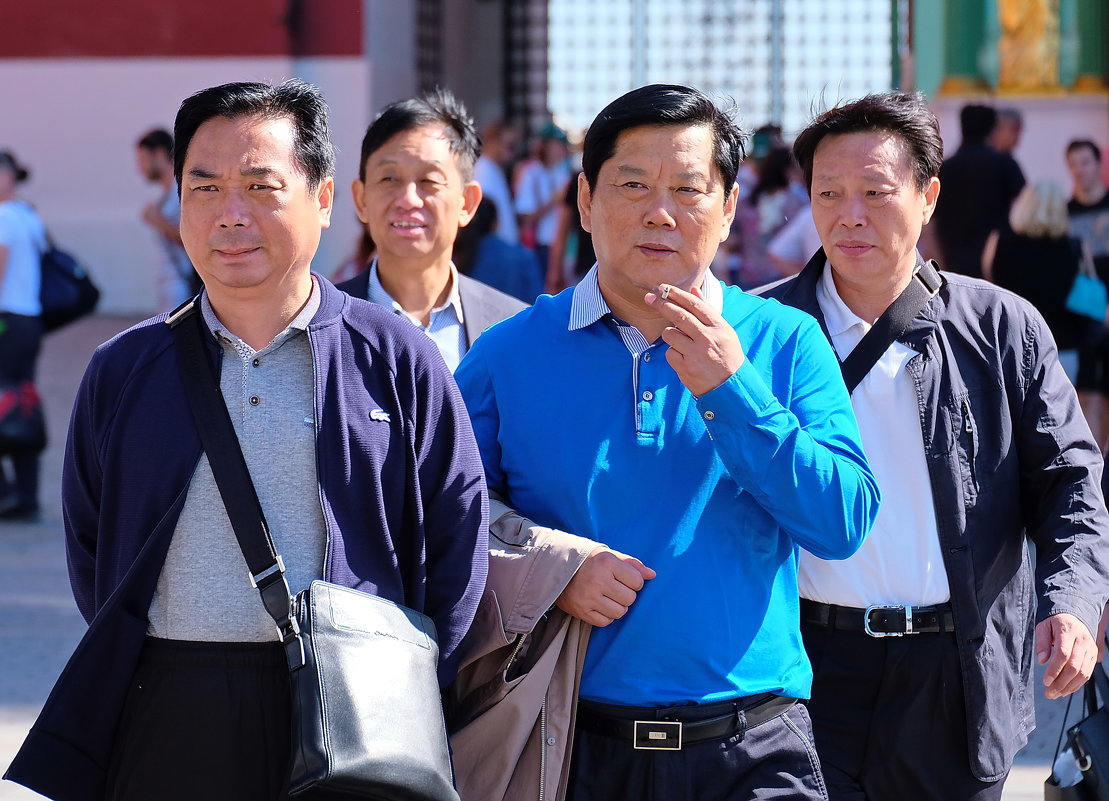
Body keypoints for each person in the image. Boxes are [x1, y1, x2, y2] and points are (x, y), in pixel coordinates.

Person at [5, 79, 488, 801]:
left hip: (354, 709)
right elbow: (90, 545)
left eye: (261, 186)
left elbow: (457, 542)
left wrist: (407, 680)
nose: (230, 214)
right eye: (204, 188)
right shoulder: (126, 367)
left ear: (323, 199)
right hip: (168, 706)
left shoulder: (394, 356)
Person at [448, 84, 880, 801]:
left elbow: (841, 524)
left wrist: (731, 388)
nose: (659, 211)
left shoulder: (783, 340)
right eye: (632, 185)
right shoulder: (508, 353)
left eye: (687, 188)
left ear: (728, 208)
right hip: (574, 748)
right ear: (584, 201)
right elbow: (443, 517)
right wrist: (554, 566)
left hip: (755, 748)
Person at [761, 90, 1109, 800]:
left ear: (927, 197)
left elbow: (1071, 481)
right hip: (803, 667)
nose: (847, 213)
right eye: (827, 192)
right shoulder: (760, 332)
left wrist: (1070, 601)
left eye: (874, 191)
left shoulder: (1000, 327)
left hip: (957, 670)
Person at [337, 90, 527, 371]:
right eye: (389, 178)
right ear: (361, 199)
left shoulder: (515, 329)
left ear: (467, 202)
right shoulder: (320, 325)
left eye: (429, 180)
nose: (409, 199)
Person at [983, 180, 1084, 382]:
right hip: (1061, 345)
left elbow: (989, 282)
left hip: (1012, 343)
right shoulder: (1072, 247)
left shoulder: (1001, 241)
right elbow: (1084, 297)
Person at [0, 150, 46, 522]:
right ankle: (24, 493)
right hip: (27, 320)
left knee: (9, 403)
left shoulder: (4, 215)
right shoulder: (28, 214)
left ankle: (10, 493)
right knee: (22, 402)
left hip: (6, 320)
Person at [930, 104, 1025, 277]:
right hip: (998, 266)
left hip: (952, 264)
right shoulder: (1004, 165)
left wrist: (939, 266)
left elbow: (930, 223)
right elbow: (1025, 210)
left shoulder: (945, 169)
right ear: (992, 130)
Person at [1066, 139, 1109, 449]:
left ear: (1098, 164)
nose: (1080, 170)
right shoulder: (1064, 213)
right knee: (1087, 391)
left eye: (1085, 162)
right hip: (1081, 315)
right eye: (1073, 164)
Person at [726, 145, 808, 288]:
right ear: (788, 170)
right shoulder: (798, 203)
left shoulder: (747, 202)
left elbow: (732, 240)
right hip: (783, 278)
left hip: (747, 276)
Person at [135, 128, 199, 310]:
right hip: (170, 286)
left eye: (143, 160)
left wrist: (157, 220)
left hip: (182, 287)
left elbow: (193, 239)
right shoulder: (166, 195)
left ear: (160, 154)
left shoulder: (182, 191)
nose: (140, 168)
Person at [452, 198, 543, 303]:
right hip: (517, 316)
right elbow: (537, 301)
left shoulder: (458, 257)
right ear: (495, 222)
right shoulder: (521, 257)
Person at [514, 121, 572, 284]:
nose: (562, 148)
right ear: (545, 146)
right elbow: (526, 217)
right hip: (542, 245)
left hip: (565, 244)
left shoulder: (563, 171)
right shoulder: (531, 172)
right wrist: (554, 200)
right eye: (557, 144)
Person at [473, 119, 521, 244]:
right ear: (493, 142)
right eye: (510, 146)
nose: (513, 153)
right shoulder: (483, 171)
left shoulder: (494, 169)